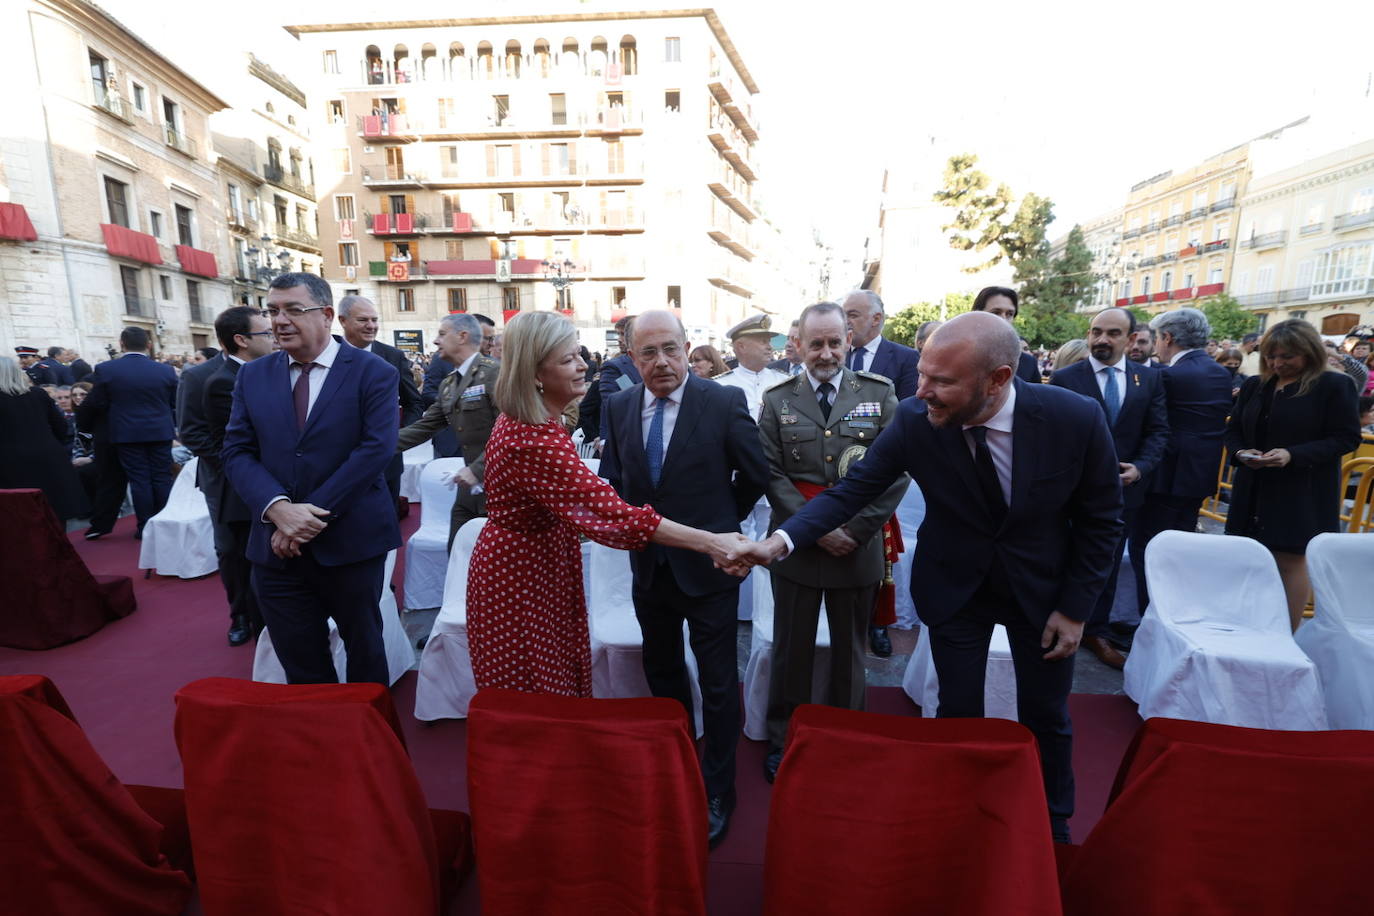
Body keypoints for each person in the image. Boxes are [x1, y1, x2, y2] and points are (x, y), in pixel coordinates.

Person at [730, 312, 1123, 844]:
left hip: (1045, 594)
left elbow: (1103, 520)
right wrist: (779, 542)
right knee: (957, 710)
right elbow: (856, 489)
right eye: (922, 375)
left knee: (1046, 715)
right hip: (957, 588)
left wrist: (1077, 608)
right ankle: (958, 811)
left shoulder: (1074, 418)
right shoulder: (916, 417)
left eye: (941, 382)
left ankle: (1051, 823)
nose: (923, 392)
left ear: (998, 380)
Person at [465, 310, 749, 707]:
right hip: (523, 577)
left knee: (551, 681)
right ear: (534, 373)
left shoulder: (538, 423)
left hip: (539, 566)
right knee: (536, 694)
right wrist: (711, 542)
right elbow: (615, 514)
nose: (584, 365)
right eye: (568, 359)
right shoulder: (533, 438)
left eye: (579, 354)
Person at [600, 309, 769, 848]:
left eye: (671, 349)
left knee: (719, 684)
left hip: (710, 566)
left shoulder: (722, 402)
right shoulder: (619, 405)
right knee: (663, 670)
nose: (662, 362)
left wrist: (724, 524)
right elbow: (617, 483)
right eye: (648, 353)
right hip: (650, 567)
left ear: (687, 345)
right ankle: (674, 765)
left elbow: (756, 475)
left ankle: (719, 789)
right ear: (632, 358)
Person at [222, 273, 401, 685]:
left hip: (351, 544)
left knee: (365, 651)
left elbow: (373, 451)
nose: (279, 321)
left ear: (326, 315)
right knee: (300, 661)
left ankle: (368, 740)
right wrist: (278, 509)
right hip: (275, 549)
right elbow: (236, 452)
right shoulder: (253, 376)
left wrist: (305, 520)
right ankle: (320, 741)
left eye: (292, 310)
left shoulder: (374, 372)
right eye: (272, 311)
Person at [756, 301, 909, 781]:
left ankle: (846, 739)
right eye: (815, 343)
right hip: (797, 546)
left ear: (849, 340)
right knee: (791, 651)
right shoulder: (778, 399)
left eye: (834, 342)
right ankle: (784, 739)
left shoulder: (880, 394)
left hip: (855, 545)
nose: (825, 353)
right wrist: (815, 529)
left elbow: (895, 470)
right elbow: (771, 473)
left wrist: (857, 529)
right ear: (798, 344)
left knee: (849, 655)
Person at [1050, 307, 1169, 669]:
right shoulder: (1066, 378)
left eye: (1112, 333)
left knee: (1108, 561)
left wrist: (1141, 468)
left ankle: (1095, 630)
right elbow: (1051, 438)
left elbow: (1158, 432)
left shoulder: (1147, 381)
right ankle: (1055, 621)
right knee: (1061, 556)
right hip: (1071, 495)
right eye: (1096, 331)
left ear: (1131, 338)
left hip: (1124, 493)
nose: (1102, 339)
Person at [1224, 320, 1361, 631]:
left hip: (1301, 490)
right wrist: (1240, 454)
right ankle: (1247, 627)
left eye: (1287, 356)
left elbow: (1346, 438)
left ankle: (1284, 636)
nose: (1277, 363)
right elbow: (1233, 431)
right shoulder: (1255, 385)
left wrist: (1292, 455)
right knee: (1248, 557)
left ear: (1309, 353)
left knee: (1288, 561)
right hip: (1253, 486)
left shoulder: (1334, 385)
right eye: (1271, 356)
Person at [1131, 307, 1233, 618]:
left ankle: (1153, 621)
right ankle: (1177, 615)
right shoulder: (1219, 371)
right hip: (1199, 476)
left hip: (1165, 476)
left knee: (1148, 551)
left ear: (1167, 338)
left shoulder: (1169, 375)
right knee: (1180, 552)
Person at [202, 306, 275, 646]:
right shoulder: (223, 381)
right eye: (266, 333)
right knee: (243, 562)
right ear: (242, 340)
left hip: (273, 489)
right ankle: (247, 619)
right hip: (244, 492)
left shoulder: (271, 371)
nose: (274, 337)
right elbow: (236, 446)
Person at [396, 312, 499, 549]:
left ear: (462, 336)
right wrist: (370, 445)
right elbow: (424, 427)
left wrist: (477, 469)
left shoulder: (494, 373)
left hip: (500, 488)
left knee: (492, 563)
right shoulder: (449, 383)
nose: (435, 341)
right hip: (470, 490)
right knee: (457, 556)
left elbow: (513, 429)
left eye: (442, 334)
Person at [81, 327, 178, 538]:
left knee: (140, 480)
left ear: (121, 343)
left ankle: (145, 527)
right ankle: (164, 523)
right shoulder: (165, 370)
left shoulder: (106, 369)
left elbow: (98, 401)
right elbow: (173, 402)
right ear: (149, 345)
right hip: (160, 431)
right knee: (162, 477)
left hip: (126, 433)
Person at [337, 295, 423, 509]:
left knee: (385, 523)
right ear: (342, 320)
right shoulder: (328, 355)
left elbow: (414, 403)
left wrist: (396, 438)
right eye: (363, 320)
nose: (371, 326)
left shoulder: (392, 356)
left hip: (386, 464)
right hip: (338, 462)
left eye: (374, 320)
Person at [0, 357, 89, 520]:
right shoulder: (38, 394)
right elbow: (60, 426)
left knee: (20, 514)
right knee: (56, 510)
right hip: (48, 457)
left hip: (10, 463)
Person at [841, 290, 920, 398]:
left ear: (876, 319)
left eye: (852, 315)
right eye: (843, 316)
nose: (845, 321)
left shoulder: (907, 358)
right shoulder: (835, 355)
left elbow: (906, 409)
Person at [715, 314, 788, 420]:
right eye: (763, 341)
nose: (770, 347)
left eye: (769, 342)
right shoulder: (720, 386)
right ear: (741, 346)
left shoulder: (783, 382)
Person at [971, 287, 1041, 383]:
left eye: (1009, 314)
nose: (1003, 319)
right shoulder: (958, 356)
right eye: (996, 312)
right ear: (977, 314)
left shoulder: (1027, 363)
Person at [595, 315, 643, 441]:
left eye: (623, 334)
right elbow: (614, 404)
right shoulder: (615, 367)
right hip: (623, 439)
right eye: (619, 334)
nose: (619, 339)